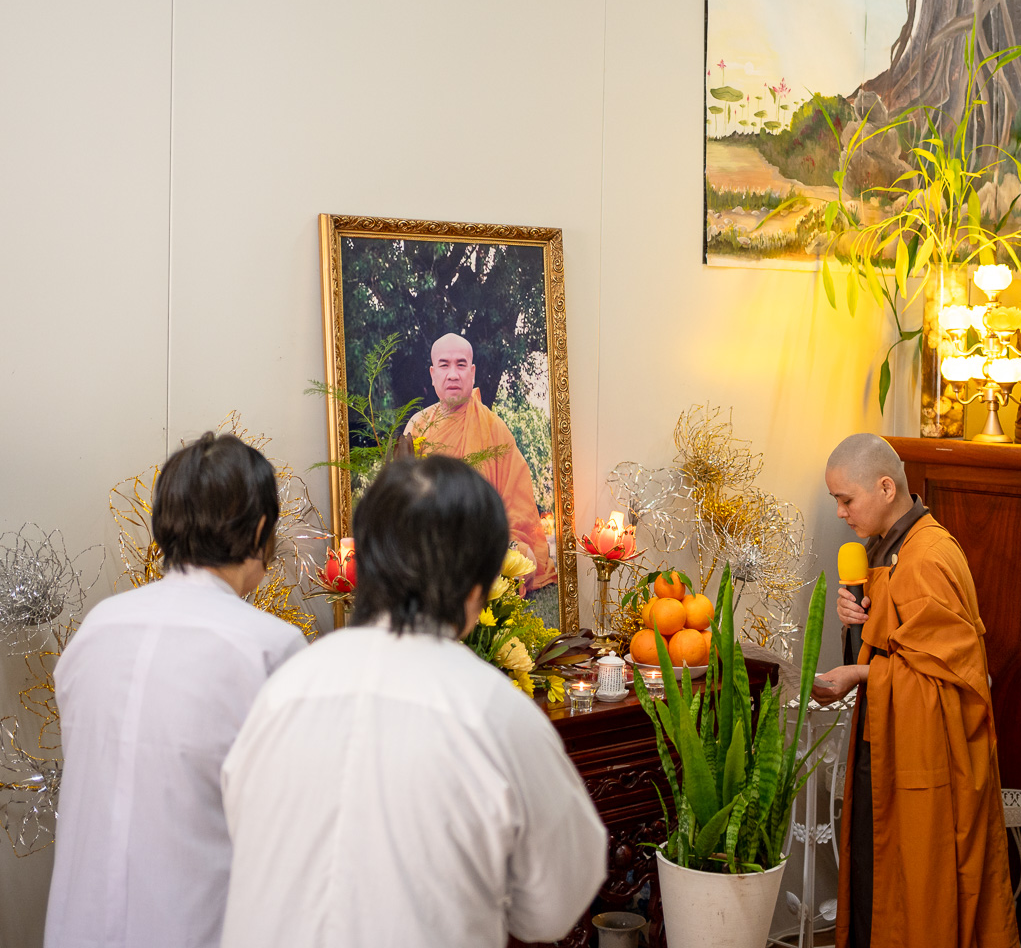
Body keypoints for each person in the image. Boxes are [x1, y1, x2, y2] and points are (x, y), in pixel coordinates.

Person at [219, 455, 605, 948]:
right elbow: (553, 909)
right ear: (478, 587)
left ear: (366, 565)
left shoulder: (282, 691)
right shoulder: (493, 713)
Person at [45, 434, 307, 948]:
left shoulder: (97, 629)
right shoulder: (271, 649)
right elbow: (295, 828)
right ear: (261, 529)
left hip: (78, 927)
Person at [812, 434, 1019, 948]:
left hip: (925, 756)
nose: (840, 513)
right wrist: (854, 623)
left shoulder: (927, 555)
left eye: (846, 499)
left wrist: (859, 675)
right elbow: (899, 646)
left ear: (886, 488)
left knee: (920, 887)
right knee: (878, 880)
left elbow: (953, 677)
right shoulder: (886, 549)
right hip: (888, 742)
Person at [404, 332, 557, 595]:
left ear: (472, 373)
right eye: (444, 365)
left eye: (461, 365)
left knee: (525, 558)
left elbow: (517, 508)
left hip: (486, 541)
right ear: (432, 374)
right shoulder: (418, 426)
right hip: (434, 541)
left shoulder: (493, 428)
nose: (453, 374)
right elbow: (404, 500)